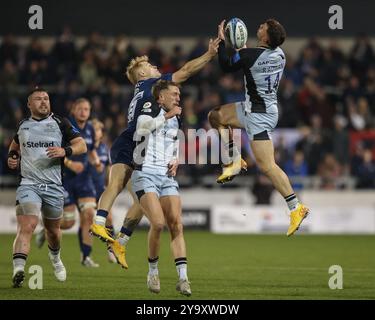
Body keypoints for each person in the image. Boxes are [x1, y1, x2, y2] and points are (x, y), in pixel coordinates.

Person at [90, 37, 221, 268]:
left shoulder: (142, 90)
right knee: (117, 183)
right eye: (151, 67)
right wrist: (209, 55)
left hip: (139, 145)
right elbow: (187, 71)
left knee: (142, 200)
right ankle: (99, 221)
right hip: (130, 142)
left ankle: (119, 242)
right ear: (142, 75)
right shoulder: (152, 85)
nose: (156, 69)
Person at [208, 19, 310, 236]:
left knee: (267, 166)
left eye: (263, 27)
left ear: (265, 37)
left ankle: (296, 208)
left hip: (257, 116)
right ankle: (234, 161)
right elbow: (251, 58)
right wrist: (241, 49)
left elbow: (226, 66)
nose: (259, 27)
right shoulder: (280, 54)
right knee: (215, 116)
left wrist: (223, 42)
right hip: (260, 108)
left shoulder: (250, 56)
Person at [8, 88, 87, 287]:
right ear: (29, 104)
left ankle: (55, 258)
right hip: (28, 184)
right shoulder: (23, 125)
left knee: (53, 231)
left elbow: (81, 145)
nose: (44, 102)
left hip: (54, 186)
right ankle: (18, 269)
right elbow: (15, 145)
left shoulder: (61, 123)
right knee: (27, 225)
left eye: (46, 99)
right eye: (39, 99)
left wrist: (65, 150)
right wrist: (13, 157)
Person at [124, 80, 191, 296]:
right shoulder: (148, 111)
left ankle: (183, 278)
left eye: (179, 94)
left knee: (176, 225)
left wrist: (176, 158)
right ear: (160, 97)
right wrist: (166, 116)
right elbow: (143, 128)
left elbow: (173, 142)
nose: (178, 98)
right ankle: (153, 271)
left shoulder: (176, 118)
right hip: (144, 175)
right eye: (174, 94)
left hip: (166, 177)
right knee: (158, 223)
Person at [90, 119, 117, 263]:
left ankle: (111, 251)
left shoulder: (105, 149)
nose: (96, 133)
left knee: (109, 219)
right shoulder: (83, 146)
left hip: (100, 189)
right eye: (93, 130)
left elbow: (108, 168)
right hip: (85, 188)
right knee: (70, 221)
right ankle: (47, 231)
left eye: (98, 130)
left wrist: (109, 186)